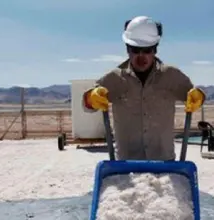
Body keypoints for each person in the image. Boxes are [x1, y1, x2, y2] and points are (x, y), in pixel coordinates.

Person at [81, 16, 206, 161]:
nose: (141, 56)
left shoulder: (172, 76)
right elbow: (86, 106)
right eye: (135, 50)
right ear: (127, 49)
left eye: (147, 50)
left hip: (164, 164)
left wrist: (199, 97)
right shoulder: (114, 78)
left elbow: (195, 96)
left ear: (155, 50)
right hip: (126, 166)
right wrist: (91, 98)